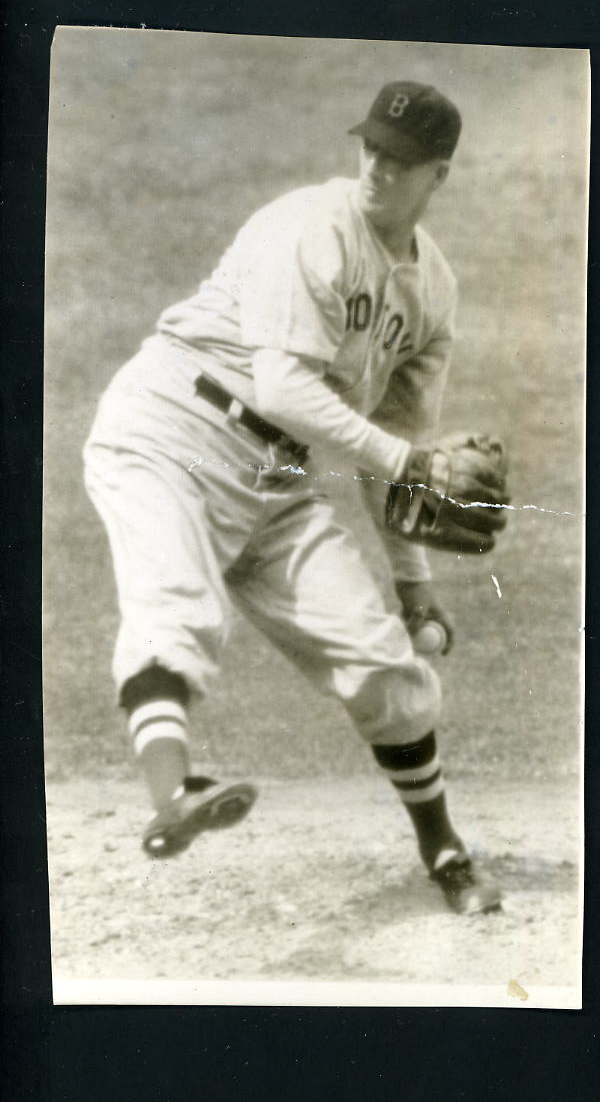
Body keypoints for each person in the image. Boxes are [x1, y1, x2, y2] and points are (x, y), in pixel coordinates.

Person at [84, 80, 502, 914]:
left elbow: (396, 442)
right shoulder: (310, 226)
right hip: (167, 429)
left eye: (402, 160)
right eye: (372, 149)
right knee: (176, 608)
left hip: (274, 482)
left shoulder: (432, 293)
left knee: (384, 661)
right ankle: (173, 796)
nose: (380, 169)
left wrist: (412, 582)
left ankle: (443, 848)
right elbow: (281, 385)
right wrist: (410, 459)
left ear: (438, 174)